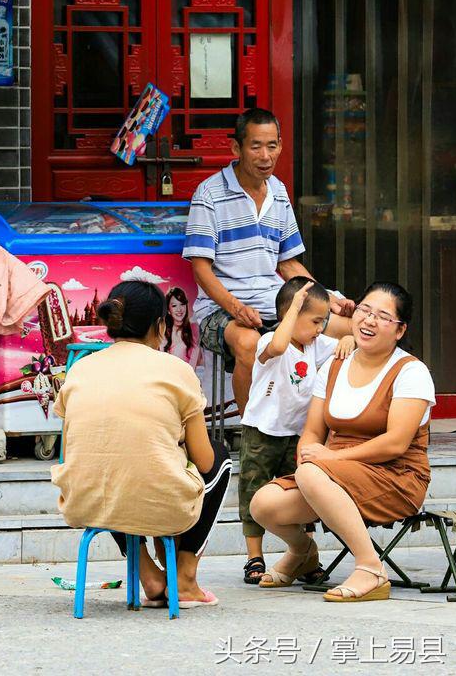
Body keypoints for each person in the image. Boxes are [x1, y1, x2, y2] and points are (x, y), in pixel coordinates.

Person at [250, 282, 435, 602]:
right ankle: (302, 551)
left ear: (400, 330)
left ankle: (370, 568)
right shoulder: (334, 365)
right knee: (263, 504)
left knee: (310, 474)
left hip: (395, 476)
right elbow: (312, 431)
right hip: (332, 473)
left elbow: (395, 444)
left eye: (383, 316)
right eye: (364, 310)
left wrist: (327, 461)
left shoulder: (411, 372)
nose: (369, 320)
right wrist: (309, 455)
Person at [51, 280, 232, 607]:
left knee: (111, 462)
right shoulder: (176, 370)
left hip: (82, 499)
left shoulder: (80, 370)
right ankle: (186, 578)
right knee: (219, 457)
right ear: (161, 325)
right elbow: (204, 463)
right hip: (159, 501)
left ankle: (147, 573)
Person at [182, 107, 355, 417]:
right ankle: (256, 434)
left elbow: (289, 265)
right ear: (237, 148)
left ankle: (325, 423)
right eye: (256, 146)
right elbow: (200, 269)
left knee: (349, 328)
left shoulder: (278, 191)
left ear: (280, 146)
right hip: (219, 311)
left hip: (274, 304)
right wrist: (236, 308)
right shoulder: (208, 194)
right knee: (249, 343)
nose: (265, 156)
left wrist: (327, 298)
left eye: (272, 145)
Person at [239, 277, 354, 584]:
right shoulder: (268, 341)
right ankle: (255, 557)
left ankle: (306, 557)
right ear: (291, 314)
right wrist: (294, 307)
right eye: (315, 320)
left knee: (302, 493)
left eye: (323, 322)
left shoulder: (315, 345)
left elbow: (350, 339)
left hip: (298, 435)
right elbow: (278, 345)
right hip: (262, 430)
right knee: (253, 489)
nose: (320, 328)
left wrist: (348, 340)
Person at [160, 286, 201, 367]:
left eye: (182, 304)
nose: (179, 309)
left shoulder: (193, 337)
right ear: (168, 310)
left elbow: (192, 369)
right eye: (174, 305)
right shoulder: (160, 333)